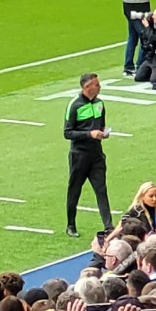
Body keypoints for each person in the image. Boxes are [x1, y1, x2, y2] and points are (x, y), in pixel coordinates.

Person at [63, 72, 112, 238]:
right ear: (87, 87)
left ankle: (108, 226)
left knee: (101, 189)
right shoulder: (75, 105)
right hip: (79, 155)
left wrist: (103, 133)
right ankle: (71, 225)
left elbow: (101, 125)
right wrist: (89, 134)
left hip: (96, 154)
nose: (100, 87)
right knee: (75, 190)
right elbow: (68, 133)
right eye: (96, 84)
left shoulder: (100, 103)